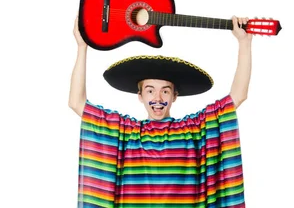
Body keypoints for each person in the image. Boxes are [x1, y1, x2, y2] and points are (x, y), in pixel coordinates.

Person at [68, 16, 252, 207]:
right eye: (150, 90)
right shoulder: (124, 133)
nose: (157, 98)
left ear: (174, 96)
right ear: (140, 96)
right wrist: (82, 47)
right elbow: (76, 102)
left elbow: (237, 96)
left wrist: (244, 43)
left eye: (165, 91)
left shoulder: (194, 130)